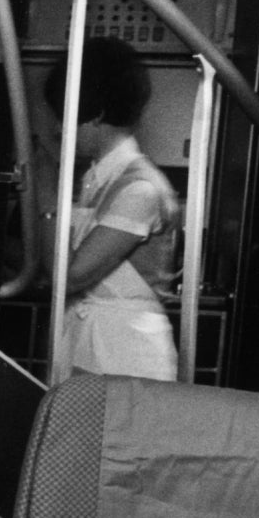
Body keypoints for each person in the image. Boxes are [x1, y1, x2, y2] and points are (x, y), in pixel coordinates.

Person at [40, 39, 181, 381]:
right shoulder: (98, 178)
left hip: (128, 351)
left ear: (98, 113)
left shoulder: (140, 189)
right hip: (92, 339)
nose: (59, 129)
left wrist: (45, 194)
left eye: (65, 116)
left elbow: (69, 276)